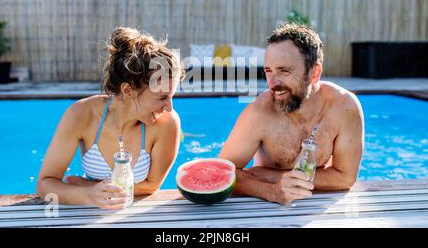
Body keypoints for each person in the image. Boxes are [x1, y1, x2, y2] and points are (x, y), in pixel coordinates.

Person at [37, 27, 185, 209]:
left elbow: (152, 186)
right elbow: (45, 184)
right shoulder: (82, 115)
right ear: (128, 90)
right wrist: (89, 195)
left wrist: (86, 185)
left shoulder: (167, 122)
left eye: (172, 96)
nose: (170, 107)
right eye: (162, 97)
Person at [219, 23, 364, 206]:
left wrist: (273, 176)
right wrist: (270, 191)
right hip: (265, 207)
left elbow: (345, 178)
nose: (272, 83)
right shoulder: (259, 113)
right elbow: (221, 172)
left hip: (318, 206)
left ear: (314, 73)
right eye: (268, 71)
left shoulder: (344, 107)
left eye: (284, 71)